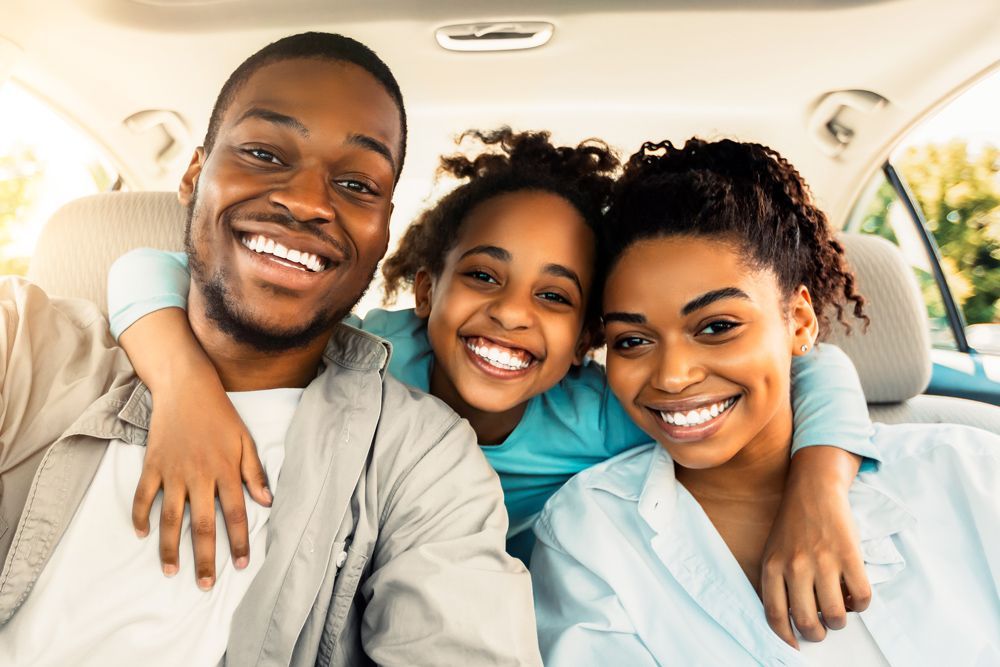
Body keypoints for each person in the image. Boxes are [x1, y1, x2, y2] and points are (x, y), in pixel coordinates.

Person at [110, 128, 877, 638]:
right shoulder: (368, 351)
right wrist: (184, 389)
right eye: (482, 276)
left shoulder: (607, 411)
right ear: (422, 291)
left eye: (554, 296)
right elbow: (149, 270)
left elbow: (808, 372)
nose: (510, 314)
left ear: (587, 340)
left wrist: (819, 488)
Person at [0, 32, 540, 666]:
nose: (309, 202)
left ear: (385, 224)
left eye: (358, 185)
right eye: (262, 152)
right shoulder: (25, 346)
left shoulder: (421, 457)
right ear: (195, 176)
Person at [531, 138, 1000, 666]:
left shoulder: (971, 471)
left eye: (717, 326)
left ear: (799, 322)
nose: (674, 375)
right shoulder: (590, 534)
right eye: (633, 341)